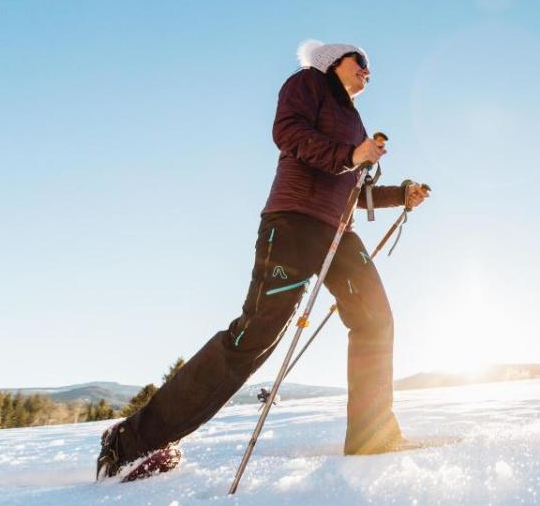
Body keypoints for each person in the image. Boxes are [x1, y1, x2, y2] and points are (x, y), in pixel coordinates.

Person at [96, 40, 429, 479]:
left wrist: (397, 195)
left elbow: (349, 186)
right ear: (333, 61)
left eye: (370, 67)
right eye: (360, 62)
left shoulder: (352, 118)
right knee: (255, 336)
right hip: (292, 224)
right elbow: (289, 135)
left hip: (337, 233)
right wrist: (352, 155)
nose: (368, 71)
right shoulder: (307, 83)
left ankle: (372, 438)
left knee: (374, 317)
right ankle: (132, 443)